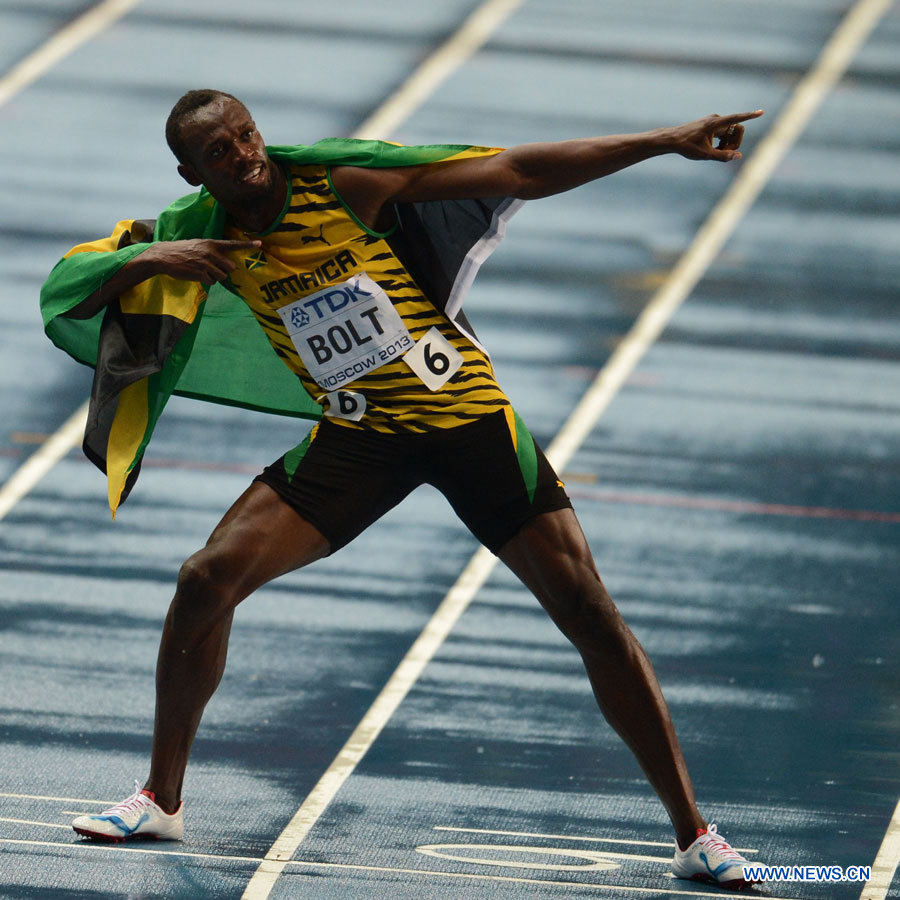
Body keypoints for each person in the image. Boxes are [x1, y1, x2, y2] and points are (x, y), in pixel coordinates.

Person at [48, 89, 765, 889]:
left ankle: (697, 835)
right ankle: (160, 799)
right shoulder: (197, 233)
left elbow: (517, 169)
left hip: (467, 422)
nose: (245, 154)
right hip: (360, 437)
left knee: (589, 613)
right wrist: (152, 259)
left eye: (248, 135)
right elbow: (70, 290)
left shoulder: (347, 187)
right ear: (192, 170)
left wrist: (667, 139)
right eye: (220, 152)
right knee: (204, 579)